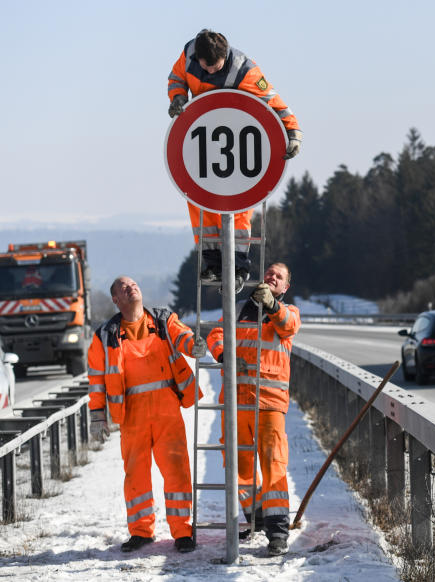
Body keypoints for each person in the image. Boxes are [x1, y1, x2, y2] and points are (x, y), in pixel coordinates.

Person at [167, 29, 303, 287]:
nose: (208, 73)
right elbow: (176, 78)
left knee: (239, 210)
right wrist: (179, 97)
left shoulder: (245, 71)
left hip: (239, 147)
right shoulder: (189, 54)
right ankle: (211, 262)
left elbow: (274, 101)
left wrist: (293, 132)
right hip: (203, 142)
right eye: (205, 68)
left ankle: (239, 266)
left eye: (214, 68)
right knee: (199, 202)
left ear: (225, 56)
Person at [87, 276, 204, 553]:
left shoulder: (163, 320)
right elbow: (96, 379)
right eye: (123, 288)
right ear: (116, 300)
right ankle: (141, 531)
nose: (131, 288)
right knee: (135, 475)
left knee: (176, 471)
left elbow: (182, 335)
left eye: (133, 284)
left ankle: (183, 532)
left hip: (166, 410)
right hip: (132, 415)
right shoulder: (105, 335)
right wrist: (96, 414)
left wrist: (194, 346)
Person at [206, 263, 301, 556]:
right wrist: (224, 354)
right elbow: (216, 335)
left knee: (274, 466)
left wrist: (271, 304)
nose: (272, 277)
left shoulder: (288, 312)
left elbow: (288, 325)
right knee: (237, 466)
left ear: (284, 288)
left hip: (269, 403)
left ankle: (277, 533)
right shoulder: (237, 309)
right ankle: (257, 517)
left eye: (279, 277)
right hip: (237, 401)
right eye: (269, 273)